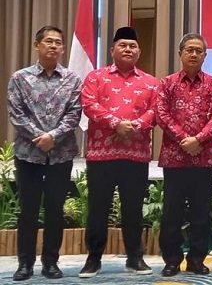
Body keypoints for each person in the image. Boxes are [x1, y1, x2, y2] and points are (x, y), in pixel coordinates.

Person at [79, 26, 159, 278]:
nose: (128, 49)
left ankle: (135, 258)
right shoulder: (96, 77)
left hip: (135, 156)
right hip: (101, 155)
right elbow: (89, 104)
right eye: (122, 45)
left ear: (139, 52)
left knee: (133, 209)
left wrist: (133, 126)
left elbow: (156, 111)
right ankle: (93, 259)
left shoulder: (151, 82)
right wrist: (116, 124)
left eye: (132, 46)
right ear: (112, 49)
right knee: (98, 208)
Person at [6, 26, 82, 281]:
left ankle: (51, 262)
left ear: (63, 48)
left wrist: (54, 136)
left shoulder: (72, 79)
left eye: (58, 42)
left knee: (54, 210)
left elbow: (74, 113)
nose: (53, 46)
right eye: (48, 41)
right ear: (36, 45)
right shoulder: (20, 78)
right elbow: (16, 114)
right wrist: (40, 137)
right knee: (28, 210)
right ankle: (24, 264)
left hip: (61, 155)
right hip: (28, 154)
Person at [155, 33, 212, 277]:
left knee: (201, 213)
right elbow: (162, 114)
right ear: (180, 53)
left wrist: (198, 140)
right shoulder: (167, 83)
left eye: (198, 51)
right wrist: (185, 139)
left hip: (203, 158)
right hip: (174, 157)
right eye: (189, 50)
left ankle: (197, 259)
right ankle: (172, 260)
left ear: (205, 55)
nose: (194, 54)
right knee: (171, 213)